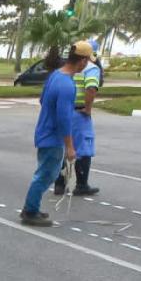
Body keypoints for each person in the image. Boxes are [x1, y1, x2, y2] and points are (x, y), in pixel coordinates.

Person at [20, 41, 89, 227]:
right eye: (87, 61)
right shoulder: (67, 85)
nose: (87, 65)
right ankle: (30, 211)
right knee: (46, 175)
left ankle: (32, 207)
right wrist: (70, 146)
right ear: (81, 61)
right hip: (52, 137)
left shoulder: (55, 76)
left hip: (44, 131)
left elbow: (43, 100)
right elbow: (64, 118)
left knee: (45, 172)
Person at [54, 41, 101, 197]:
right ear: (86, 58)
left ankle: (59, 184)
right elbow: (91, 89)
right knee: (83, 149)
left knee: (63, 146)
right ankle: (81, 184)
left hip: (64, 111)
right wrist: (88, 109)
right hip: (79, 113)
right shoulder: (91, 69)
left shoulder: (63, 70)